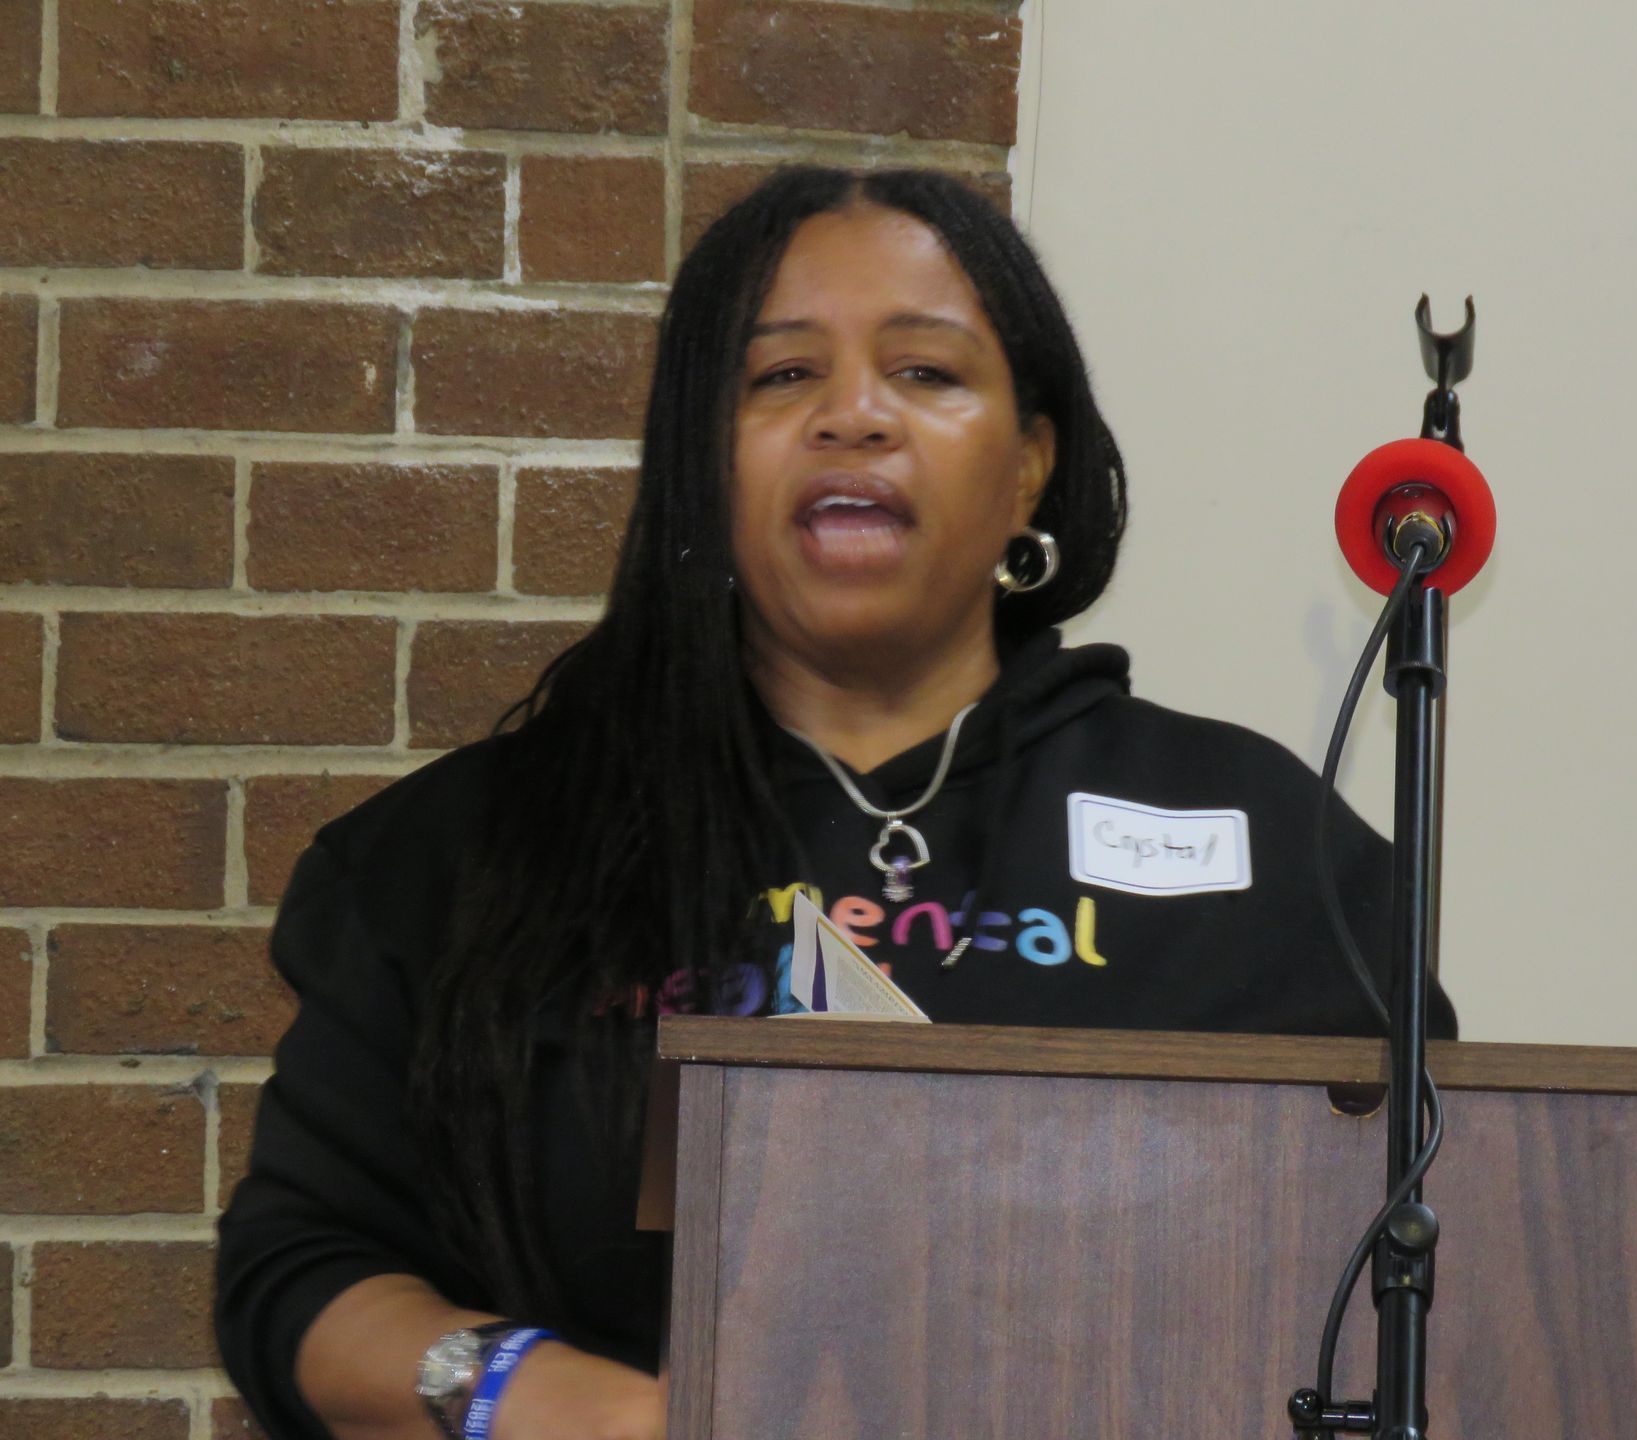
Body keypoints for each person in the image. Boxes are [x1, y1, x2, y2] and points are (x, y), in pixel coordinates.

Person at [214, 166, 1458, 1440]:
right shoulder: (473, 851)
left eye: (926, 371)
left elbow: (1426, 1258)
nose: (853, 415)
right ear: (703, 463)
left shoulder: (1268, 853)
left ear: (1030, 467)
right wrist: (563, 1405)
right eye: (782, 375)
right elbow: (302, 1270)